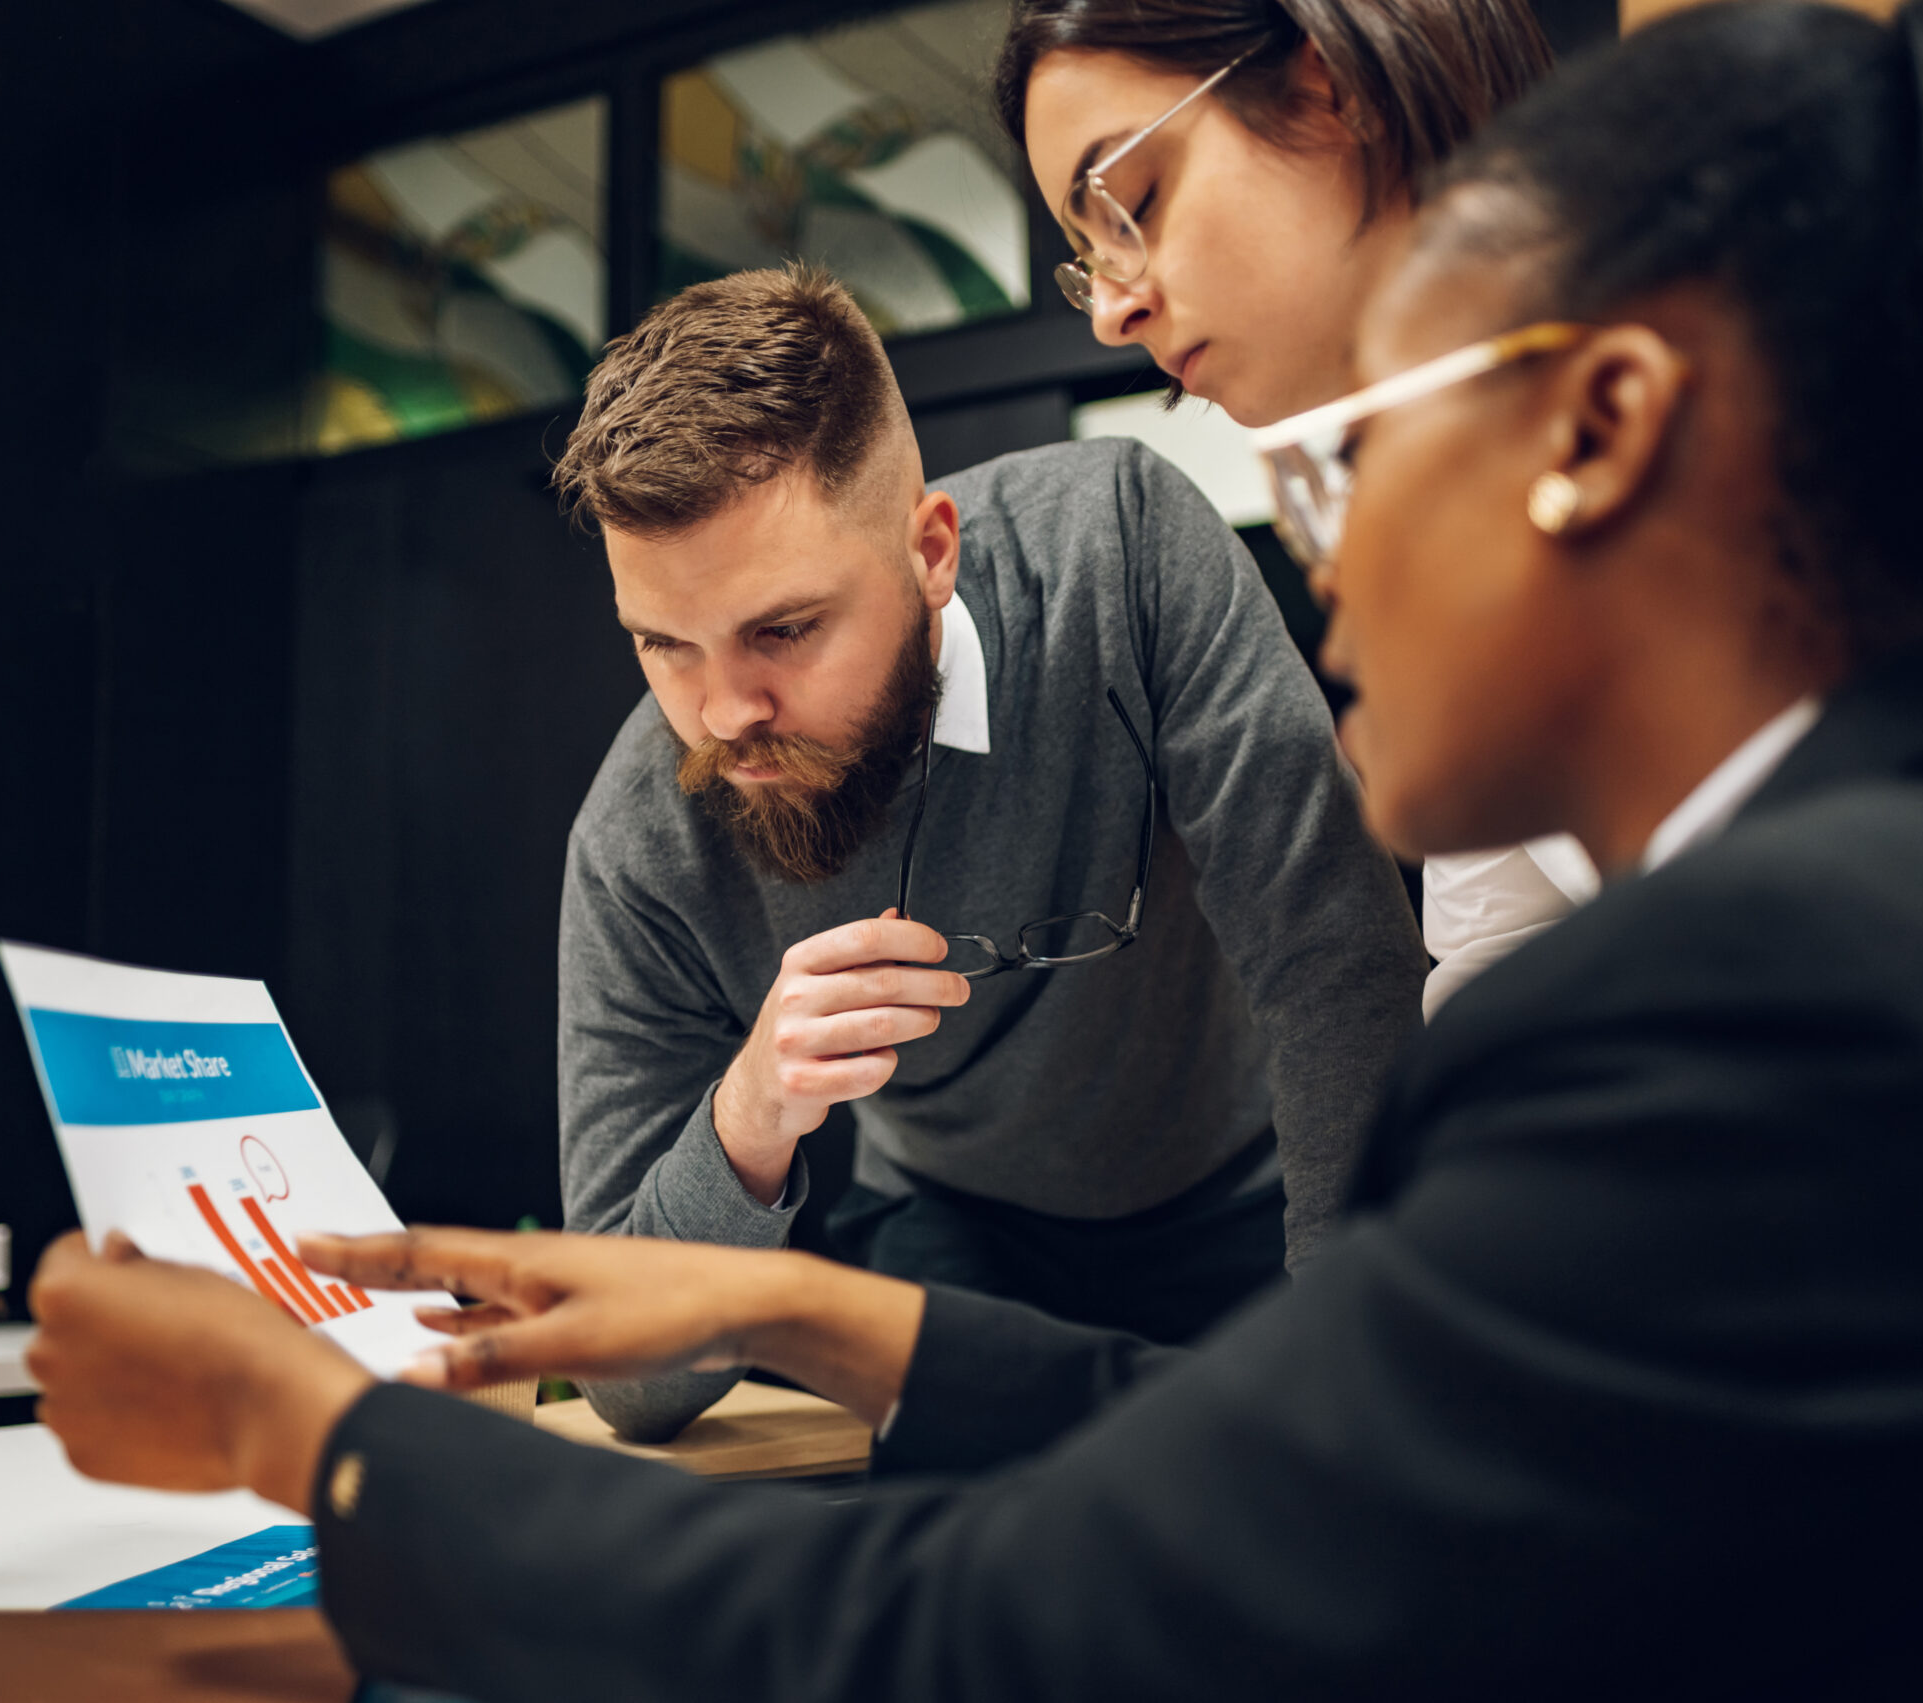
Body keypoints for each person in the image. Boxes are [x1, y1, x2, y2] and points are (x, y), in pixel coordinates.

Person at [25, 0, 1923, 1693]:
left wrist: (308, 1432)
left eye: (1342, 458)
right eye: (664, 646)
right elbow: (1345, 1462)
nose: (1320, 589)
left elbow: (1004, 1624)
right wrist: (803, 1289)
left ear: (1591, 427)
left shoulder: (1739, 1022)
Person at [1005, 0, 1923, 1017]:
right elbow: (1487, 973)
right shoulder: (1472, 591)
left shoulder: (1841, 371)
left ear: (1330, 81)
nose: (1113, 307)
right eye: (1082, 258)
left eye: (1128, 202)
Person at [550, 264, 1426, 1439]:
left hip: (1248, 1186)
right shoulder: (637, 841)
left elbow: (1332, 953)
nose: (722, 711)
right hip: (949, 1223)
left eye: (785, 630)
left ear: (930, 550)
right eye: (664, 644)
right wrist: (751, 1110)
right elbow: (628, 1382)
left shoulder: (1116, 548)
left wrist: (1356, 1358)